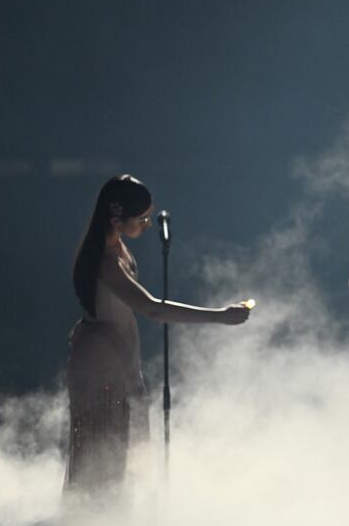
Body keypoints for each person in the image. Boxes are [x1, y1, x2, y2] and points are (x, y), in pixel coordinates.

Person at [65, 174, 250, 495]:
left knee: (121, 459)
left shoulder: (117, 248)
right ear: (117, 216)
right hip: (101, 364)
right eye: (142, 218)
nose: (148, 225)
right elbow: (151, 308)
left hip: (117, 357)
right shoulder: (105, 260)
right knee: (101, 460)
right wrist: (219, 317)